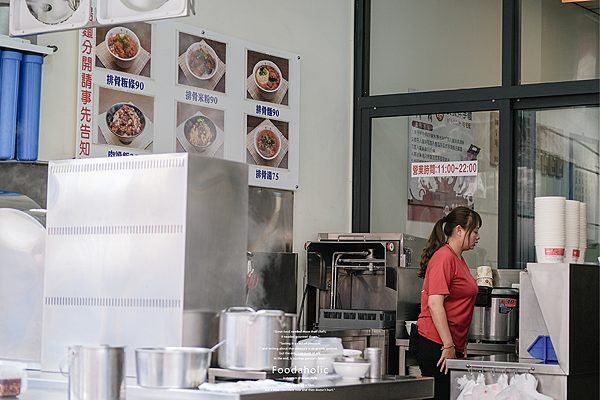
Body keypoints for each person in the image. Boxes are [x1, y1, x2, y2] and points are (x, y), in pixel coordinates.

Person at [408, 206, 481, 400]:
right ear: (459, 230)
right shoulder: (443, 257)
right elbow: (434, 304)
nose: (478, 236)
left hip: (448, 343)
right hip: (435, 344)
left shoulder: (458, 258)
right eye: (474, 231)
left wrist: (459, 343)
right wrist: (449, 344)